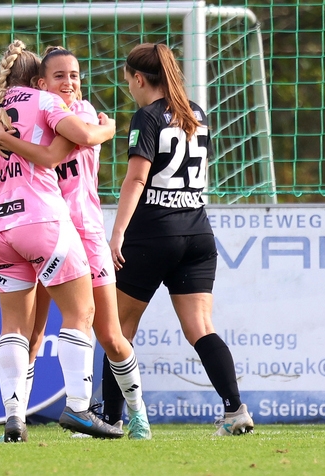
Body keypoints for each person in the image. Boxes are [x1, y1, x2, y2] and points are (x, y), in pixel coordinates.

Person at [0, 46, 152, 440]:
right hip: (46, 228)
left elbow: (57, 153)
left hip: (80, 231)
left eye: (75, 75)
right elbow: (49, 155)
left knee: (109, 333)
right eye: (60, 76)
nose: (69, 83)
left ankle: (137, 414)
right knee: (36, 334)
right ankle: (38, 414)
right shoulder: (42, 110)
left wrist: (3, 139)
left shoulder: (81, 111)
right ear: (41, 82)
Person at [106, 42, 253, 436]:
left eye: (129, 82)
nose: (130, 89)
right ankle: (235, 409)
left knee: (118, 329)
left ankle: (110, 418)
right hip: (198, 233)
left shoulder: (146, 116)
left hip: (153, 233)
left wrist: (117, 232)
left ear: (139, 78)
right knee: (202, 328)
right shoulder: (196, 112)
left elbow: (137, 178)